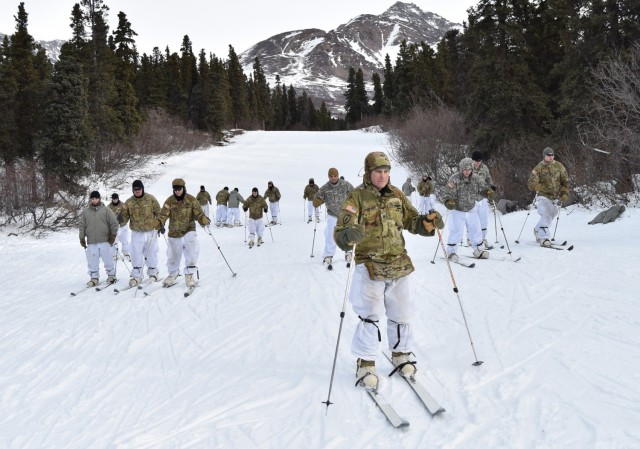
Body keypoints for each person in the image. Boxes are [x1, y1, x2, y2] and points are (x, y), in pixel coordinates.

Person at [333, 151, 444, 390]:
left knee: (402, 311)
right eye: (377, 172)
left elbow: (412, 220)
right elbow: (341, 230)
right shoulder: (357, 197)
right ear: (368, 173)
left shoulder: (397, 195)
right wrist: (347, 236)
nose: (382, 176)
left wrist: (426, 224)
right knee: (370, 313)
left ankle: (401, 354)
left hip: (398, 263)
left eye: (386, 171)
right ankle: (366, 361)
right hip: (370, 264)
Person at [158, 178, 211, 287]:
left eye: (179, 189)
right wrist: (160, 223)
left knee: (191, 251)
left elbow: (199, 213)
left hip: (188, 229)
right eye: (175, 189)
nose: (177, 191)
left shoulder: (191, 200)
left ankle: (189, 275)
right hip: (174, 232)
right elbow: (163, 214)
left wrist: (203, 219)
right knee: (173, 255)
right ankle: (173, 274)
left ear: (183, 188)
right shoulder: (169, 201)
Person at [442, 157, 495, 261]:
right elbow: (447, 193)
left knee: (476, 229)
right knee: (457, 231)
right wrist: (448, 201)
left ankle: (479, 250)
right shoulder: (454, 178)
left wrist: (488, 192)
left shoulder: (475, 178)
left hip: (471, 207)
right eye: (465, 170)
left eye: (469, 169)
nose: (467, 172)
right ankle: (451, 252)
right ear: (461, 169)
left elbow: (483, 188)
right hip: (457, 209)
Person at [120, 179, 162, 286]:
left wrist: (161, 224)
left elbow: (159, 212)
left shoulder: (150, 198)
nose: (137, 190)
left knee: (151, 252)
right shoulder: (129, 202)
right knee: (136, 253)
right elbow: (124, 216)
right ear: (133, 190)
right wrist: (119, 220)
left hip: (150, 231)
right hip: (137, 232)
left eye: (139, 189)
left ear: (142, 188)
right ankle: (136, 275)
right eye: (135, 189)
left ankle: (153, 273)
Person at [527, 147, 569, 247]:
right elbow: (531, 183)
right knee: (546, 213)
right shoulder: (539, 167)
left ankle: (537, 230)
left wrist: (565, 193)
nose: (550, 157)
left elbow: (565, 181)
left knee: (552, 214)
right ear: (544, 156)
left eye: (552, 155)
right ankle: (544, 237)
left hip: (554, 196)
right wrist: (537, 186)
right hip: (543, 195)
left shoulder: (559, 166)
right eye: (548, 155)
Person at [312, 167, 354, 267]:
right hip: (332, 214)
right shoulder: (325, 188)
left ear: (338, 175)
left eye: (335, 176)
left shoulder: (345, 185)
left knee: (347, 234)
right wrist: (317, 201)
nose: (333, 178)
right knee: (330, 235)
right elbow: (318, 197)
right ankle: (328, 255)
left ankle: (348, 252)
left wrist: (354, 206)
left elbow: (355, 194)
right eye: (331, 176)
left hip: (345, 214)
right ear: (328, 177)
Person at [79, 191, 119, 286]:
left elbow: (114, 223)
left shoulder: (106, 210)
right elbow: (82, 226)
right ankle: (94, 277)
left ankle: (111, 275)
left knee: (107, 259)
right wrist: (82, 238)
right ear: (90, 200)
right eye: (92, 199)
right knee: (92, 260)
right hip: (91, 241)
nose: (94, 200)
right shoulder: (86, 212)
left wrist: (113, 235)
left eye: (96, 198)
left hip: (105, 240)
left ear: (99, 199)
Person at [471, 151, 494, 248]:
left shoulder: (484, 168)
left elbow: (489, 179)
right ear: (473, 160)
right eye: (476, 160)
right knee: (473, 220)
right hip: (472, 198)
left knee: (483, 220)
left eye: (479, 160)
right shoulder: (468, 168)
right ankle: (471, 238)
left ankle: (483, 238)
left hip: (482, 197)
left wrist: (491, 187)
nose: (478, 162)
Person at [108, 193, 130, 259]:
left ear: (118, 198)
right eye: (113, 199)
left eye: (116, 199)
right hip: (114, 227)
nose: (115, 200)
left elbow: (128, 213)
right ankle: (114, 254)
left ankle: (125, 252)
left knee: (125, 239)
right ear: (112, 199)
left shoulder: (123, 205)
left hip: (123, 225)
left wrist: (123, 218)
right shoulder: (109, 207)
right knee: (114, 241)